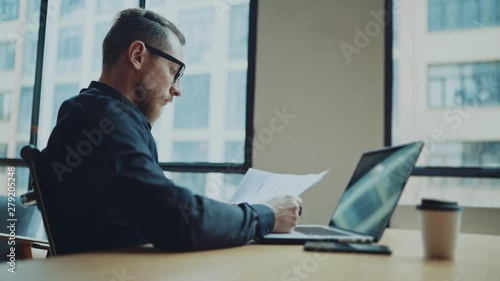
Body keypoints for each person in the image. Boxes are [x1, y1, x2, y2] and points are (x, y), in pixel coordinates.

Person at [42, 8, 302, 254]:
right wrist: (266, 215)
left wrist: (235, 216)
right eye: (174, 72)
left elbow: (165, 206)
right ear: (137, 55)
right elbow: (176, 220)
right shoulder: (103, 121)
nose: (177, 89)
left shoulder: (93, 111)